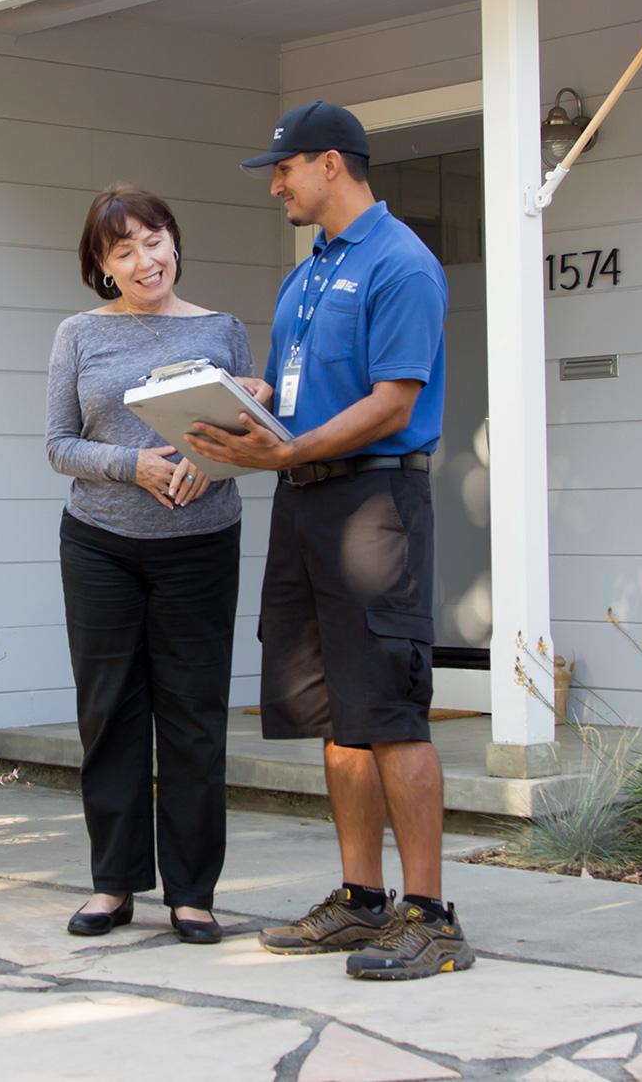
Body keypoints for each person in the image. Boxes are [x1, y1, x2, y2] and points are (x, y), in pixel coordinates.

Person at [188, 102, 475, 980]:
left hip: (374, 504)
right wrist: (247, 397)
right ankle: (362, 901)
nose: (275, 184)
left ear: (331, 165)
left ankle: (431, 918)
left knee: (389, 711)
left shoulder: (403, 265)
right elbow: (309, 389)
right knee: (335, 715)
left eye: (284, 169)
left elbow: (392, 402)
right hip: (304, 500)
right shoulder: (308, 271)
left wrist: (289, 446)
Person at [44, 184, 264, 945]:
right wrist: (132, 466)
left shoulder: (223, 329)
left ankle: (194, 893)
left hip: (202, 545)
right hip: (100, 544)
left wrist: (213, 455)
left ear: (175, 240)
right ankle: (113, 884)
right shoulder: (78, 335)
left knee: (195, 720)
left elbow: (253, 430)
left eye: (154, 239)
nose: (145, 259)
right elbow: (58, 445)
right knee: (110, 714)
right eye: (123, 248)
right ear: (103, 265)